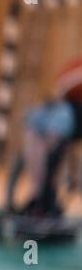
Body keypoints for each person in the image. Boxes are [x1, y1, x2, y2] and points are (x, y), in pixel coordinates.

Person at [12, 59, 82, 219]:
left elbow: (65, 84)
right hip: (63, 107)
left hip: (75, 114)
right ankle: (38, 195)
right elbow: (59, 87)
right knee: (34, 118)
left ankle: (48, 196)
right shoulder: (76, 64)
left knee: (57, 123)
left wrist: (71, 81)